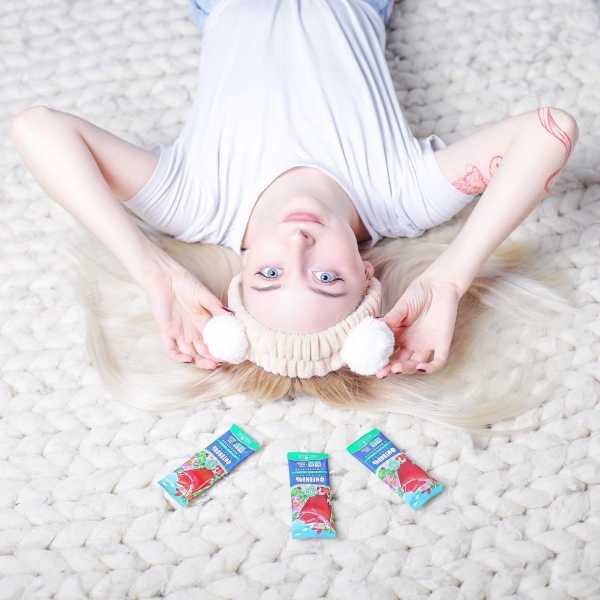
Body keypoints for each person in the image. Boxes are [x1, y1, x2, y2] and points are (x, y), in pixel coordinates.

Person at [10, 0, 578, 428]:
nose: (298, 246)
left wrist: (152, 269)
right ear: (368, 276)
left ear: (241, 270)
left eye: (269, 274)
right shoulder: (405, 199)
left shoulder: (194, 206)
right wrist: (450, 279)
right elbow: (550, 130)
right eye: (327, 278)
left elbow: (36, 128)